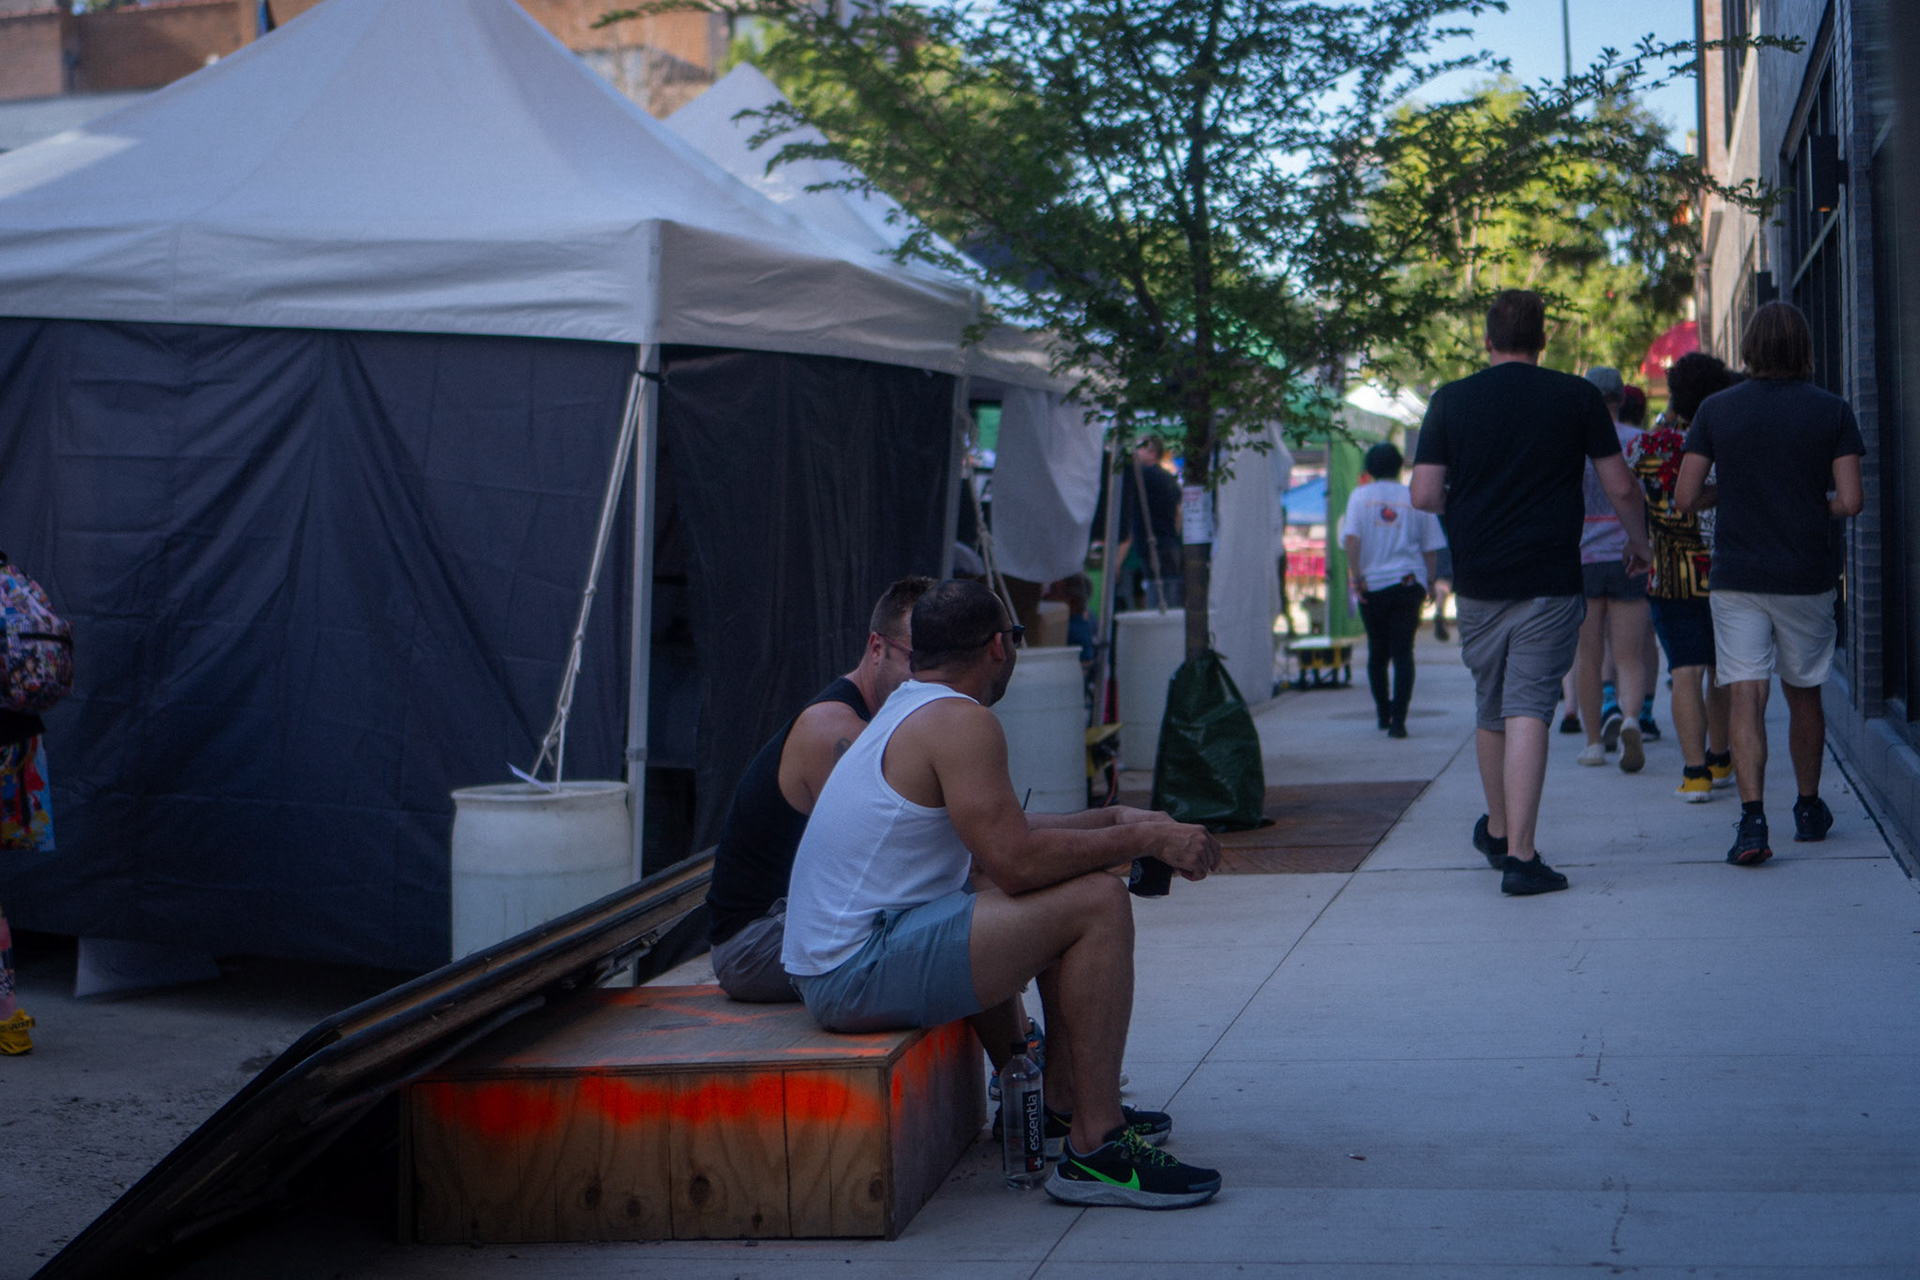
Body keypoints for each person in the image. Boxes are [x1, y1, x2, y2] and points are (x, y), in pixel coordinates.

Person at [782, 579, 1225, 1208]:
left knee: (1073, 885)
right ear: (998, 646)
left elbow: (1005, 836)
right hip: (852, 970)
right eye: (1014, 639)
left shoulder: (912, 709)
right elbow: (1016, 863)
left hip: (844, 959)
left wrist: (1122, 822)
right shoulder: (962, 722)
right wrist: (1144, 845)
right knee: (1096, 902)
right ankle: (1097, 1149)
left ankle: (1066, 1107)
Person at [1411, 290, 1652, 896]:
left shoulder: (1450, 400)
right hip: (1548, 577)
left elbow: (1422, 494)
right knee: (1528, 708)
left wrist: (1464, 512)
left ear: (1487, 340)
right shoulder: (1574, 397)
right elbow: (1621, 487)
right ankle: (1520, 856)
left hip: (1478, 578)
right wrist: (1641, 544)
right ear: (1542, 341)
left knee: (1492, 706)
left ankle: (1497, 830)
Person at [1675, 301, 1864, 866]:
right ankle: (1807, 808)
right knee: (1803, 691)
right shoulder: (1832, 411)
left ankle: (1753, 822)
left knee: (1745, 689)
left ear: (1751, 349)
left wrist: (1727, 494)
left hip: (1738, 575)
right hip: (1805, 573)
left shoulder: (1716, 409)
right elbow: (1851, 500)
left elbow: (1685, 497)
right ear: (1804, 349)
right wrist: (1808, 506)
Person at [703, 576, 933, 1001]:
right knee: (952, 926)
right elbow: (892, 859)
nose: (930, 678)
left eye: (943, 662)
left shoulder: (879, 720)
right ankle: (1020, 1053)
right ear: (877, 648)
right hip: (754, 945)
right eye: (918, 660)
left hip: (797, 922)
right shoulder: (838, 730)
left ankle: (1018, 1053)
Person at [1637, 353, 1736, 801]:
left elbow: (1634, 492)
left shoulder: (1650, 446)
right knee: (1721, 669)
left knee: (1685, 669)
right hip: (1726, 569)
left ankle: (1695, 774)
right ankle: (1721, 758)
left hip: (1669, 573)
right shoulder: (1730, 437)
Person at [1571, 366, 1652, 773]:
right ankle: (1633, 720)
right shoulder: (1639, 442)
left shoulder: (1571, 443)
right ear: (1620, 399)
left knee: (1588, 655)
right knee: (1629, 655)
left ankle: (1592, 743)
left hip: (1582, 560)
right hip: (1629, 555)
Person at [1340, 441, 1446, 738]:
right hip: (1407, 582)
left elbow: (1351, 539)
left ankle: (1382, 713)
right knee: (1403, 653)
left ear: (1370, 468)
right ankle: (1399, 719)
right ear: (1400, 466)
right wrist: (1428, 582)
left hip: (1371, 585)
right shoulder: (1412, 497)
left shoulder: (1360, 497)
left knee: (1377, 651)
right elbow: (1431, 549)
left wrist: (1357, 577)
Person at [1116, 437, 1184, 609]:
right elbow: (1178, 514)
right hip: (1167, 543)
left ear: (1153, 453)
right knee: (1168, 590)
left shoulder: (1143, 477)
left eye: (1140, 448)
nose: (1135, 452)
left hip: (1152, 544)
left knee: (1157, 592)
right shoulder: (1168, 478)